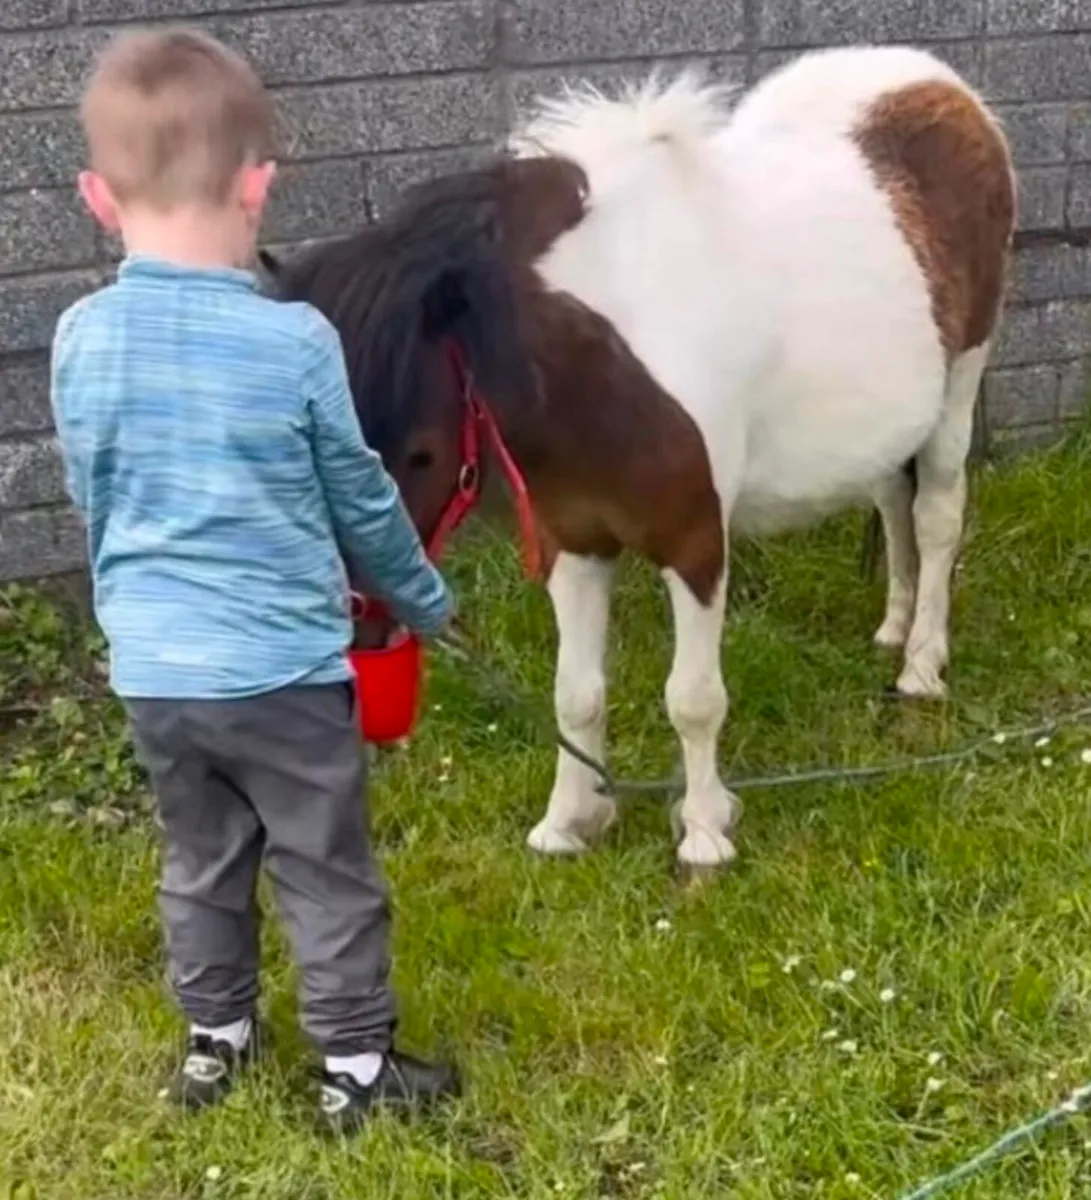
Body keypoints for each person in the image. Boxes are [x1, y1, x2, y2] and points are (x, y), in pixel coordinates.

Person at [50, 27, 460, 1133]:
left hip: (156, 673)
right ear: (257, 186)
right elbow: (360, 500)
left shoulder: (80, 337)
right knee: (324, 865)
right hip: (282, 673)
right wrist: (422, 598)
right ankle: (355, 1070)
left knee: (199, 855)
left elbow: (95, 490)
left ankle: (214, 1039)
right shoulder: (295, 342)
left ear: (96, 196)